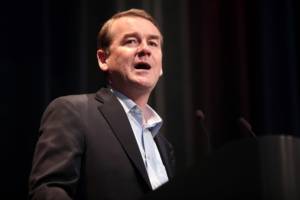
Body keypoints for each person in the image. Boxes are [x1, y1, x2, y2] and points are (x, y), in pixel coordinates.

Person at [28, 8, 175, 200]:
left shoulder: (164, 147)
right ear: (103, 59)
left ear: (161, 66)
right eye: (131, 41)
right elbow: (49, 191)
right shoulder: (74, 111)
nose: (145, 49)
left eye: (153, 43)